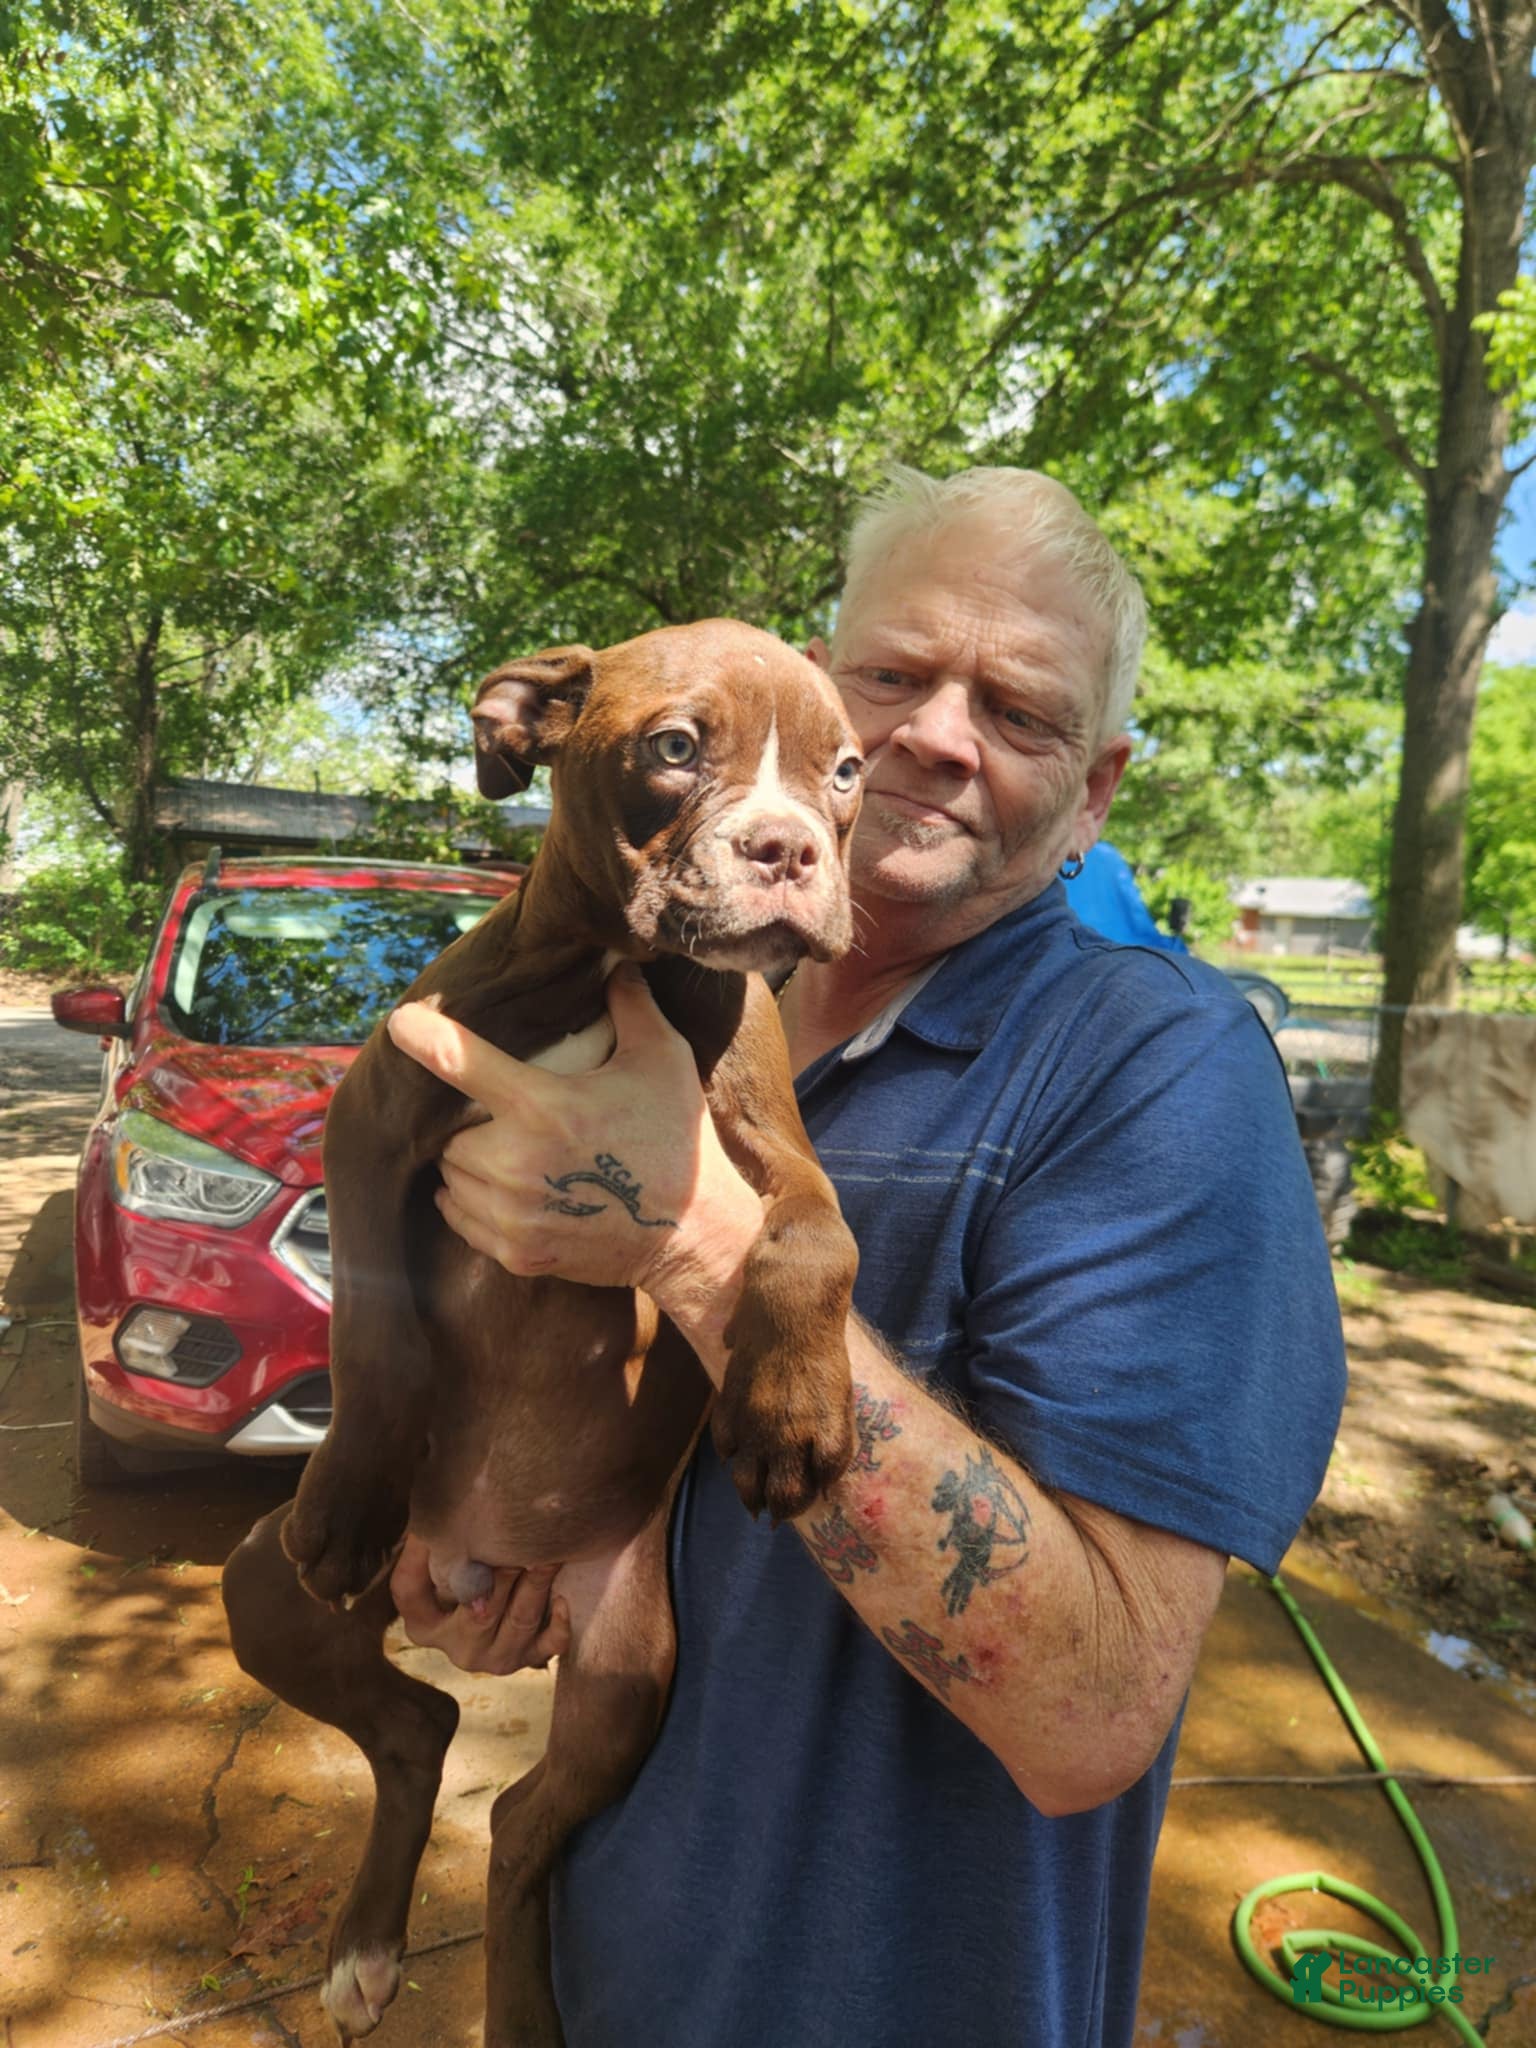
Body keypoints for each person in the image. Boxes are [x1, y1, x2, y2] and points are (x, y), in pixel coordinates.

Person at [384, 466, 1346, 2048]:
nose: (937, 736)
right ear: (811, 693)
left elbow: (1095, 1709)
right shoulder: (679, 1004)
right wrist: (487, 1525)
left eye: (1021, 713)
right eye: (891, 678)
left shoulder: (1156, 1073)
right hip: (608, 1947)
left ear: (1097, 793)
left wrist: (691, 1240)